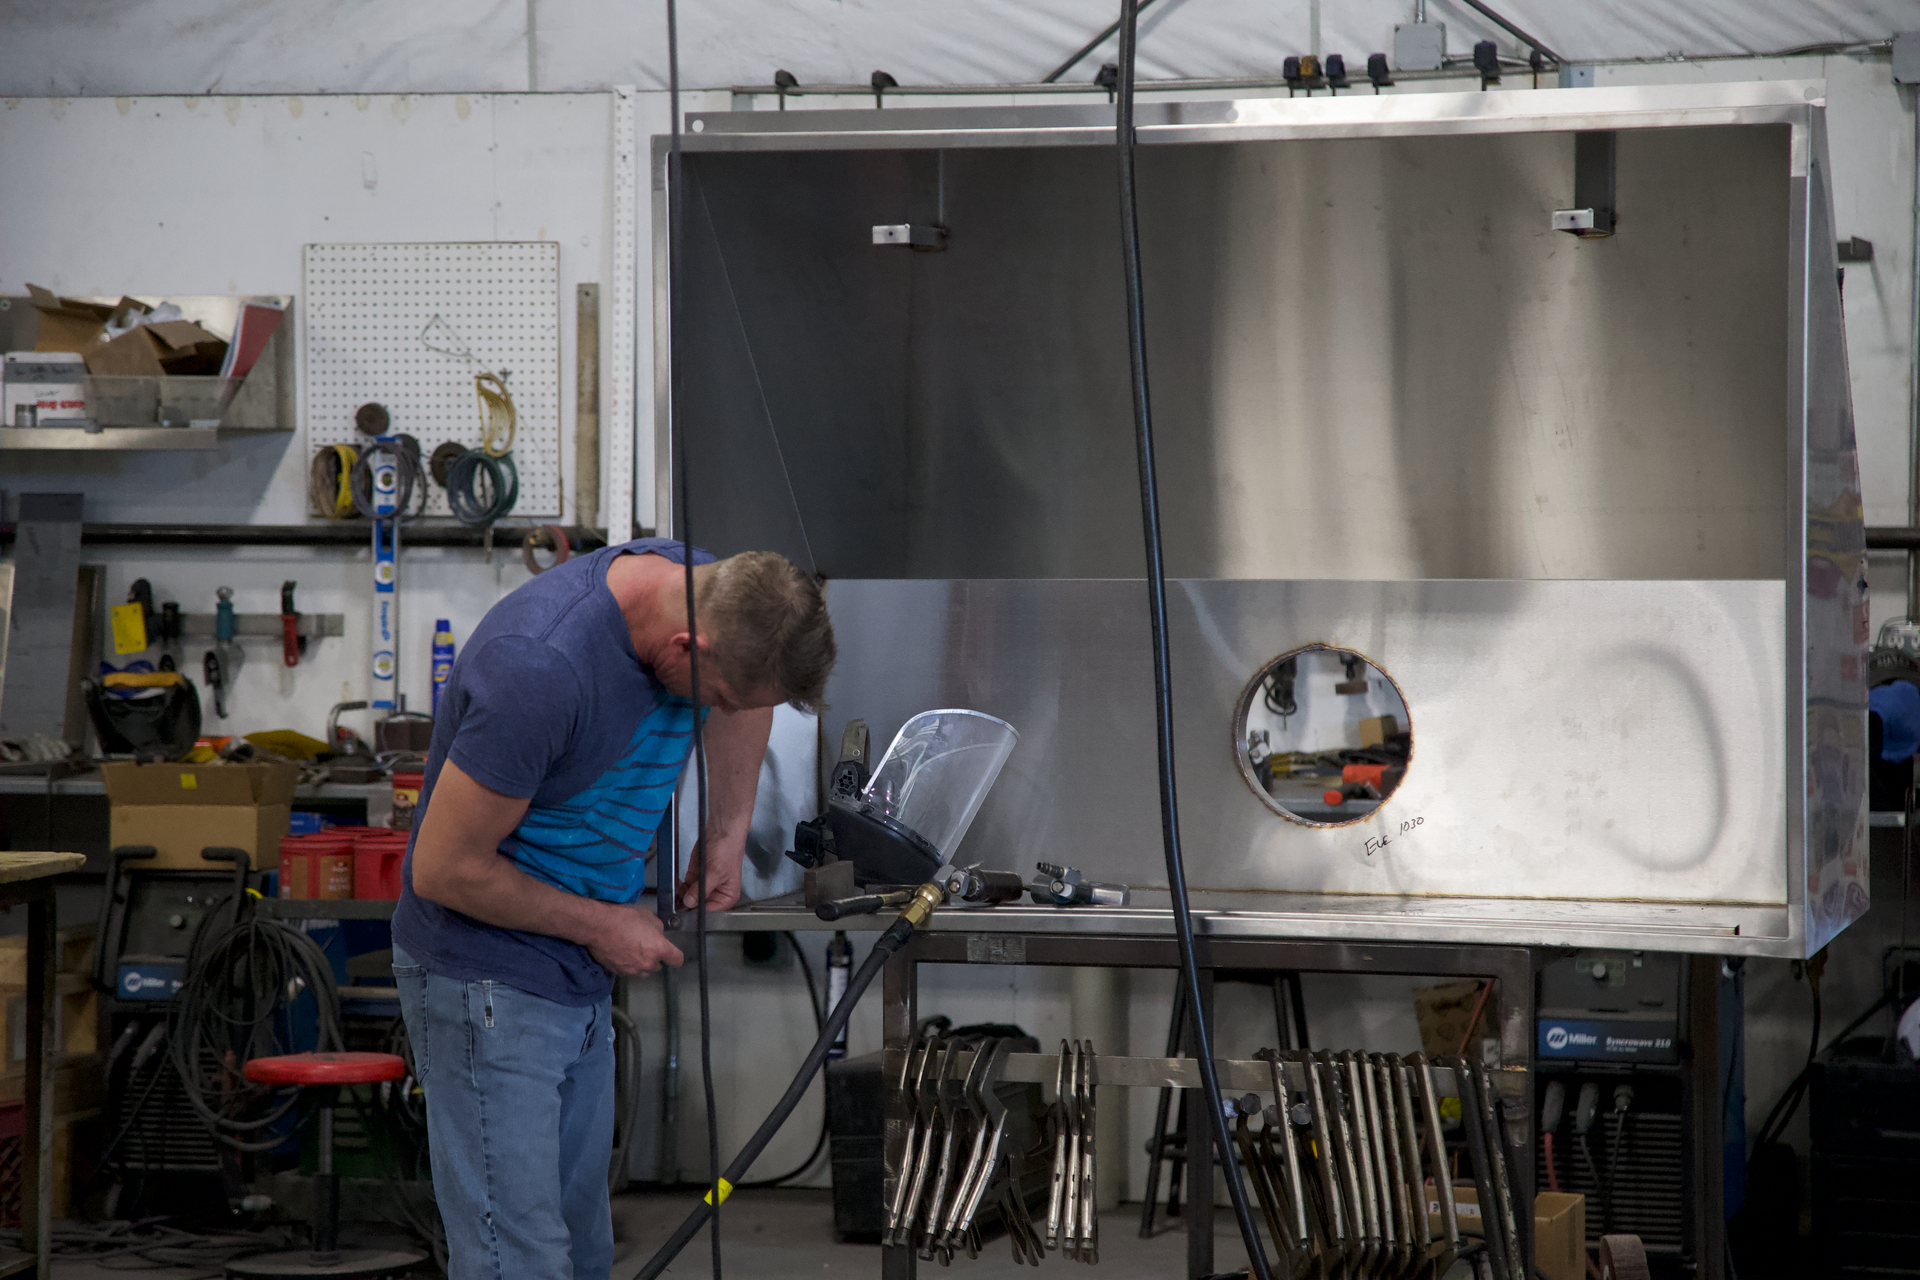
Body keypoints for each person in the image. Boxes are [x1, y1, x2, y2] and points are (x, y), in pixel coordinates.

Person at [390, 537, 835, 1279]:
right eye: (716, 694)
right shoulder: (539, 667)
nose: (722, 710)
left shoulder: (710, 588)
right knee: (519, 1261)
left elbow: (742, 702)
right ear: (686, 645)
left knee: (583, 1247)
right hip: (486, 979)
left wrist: (726, 831)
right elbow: (444, 869)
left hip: (577, 967)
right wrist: (606, 924)